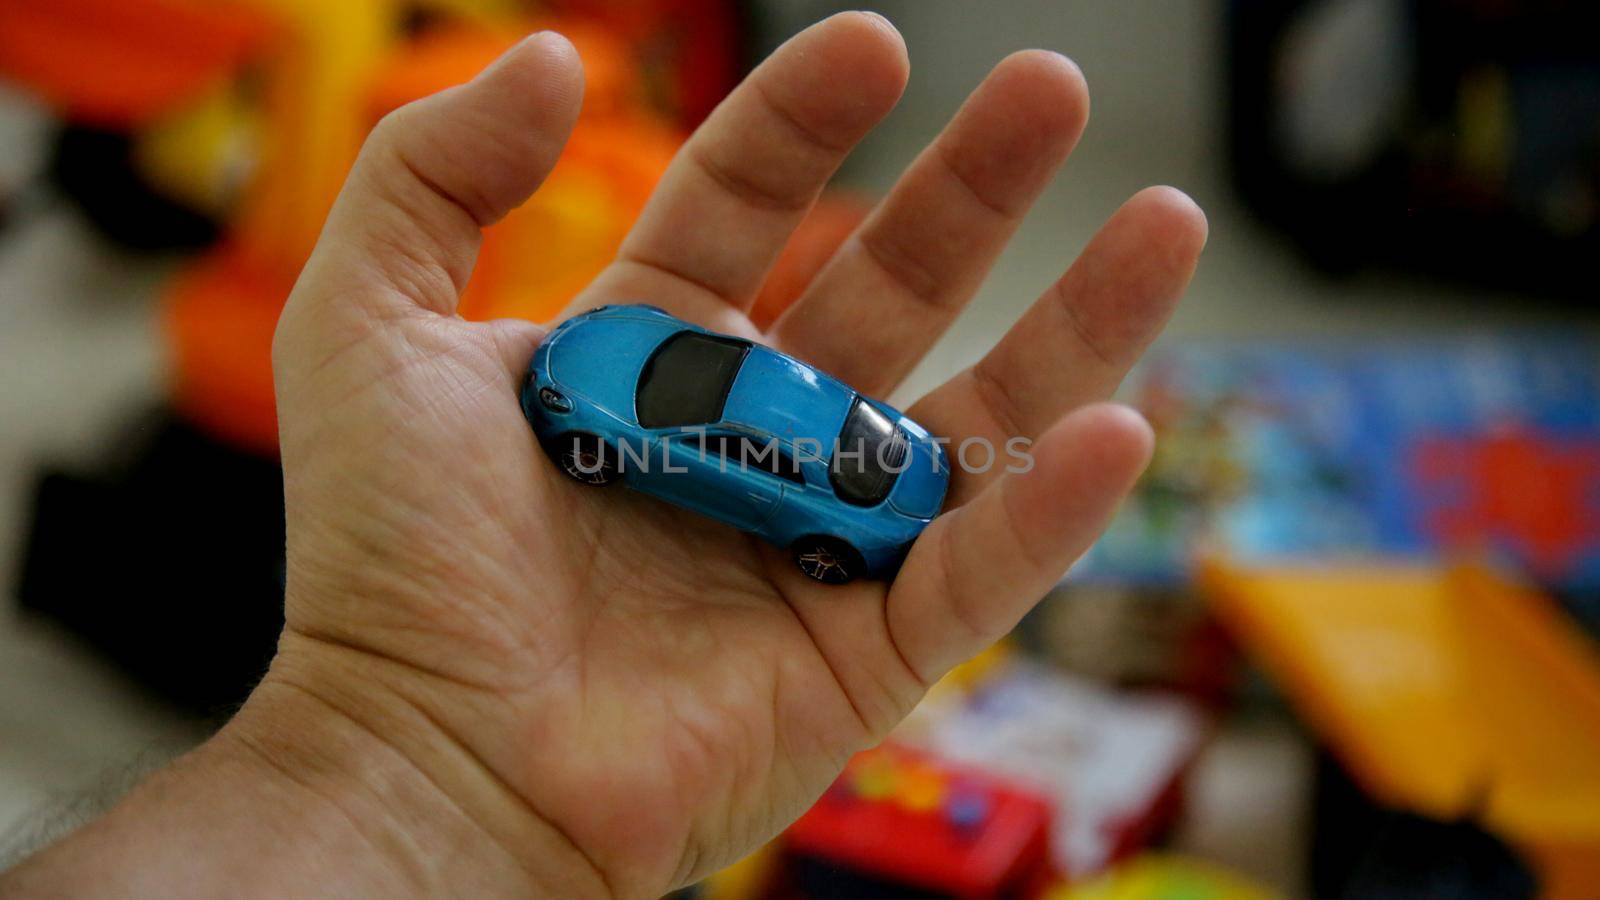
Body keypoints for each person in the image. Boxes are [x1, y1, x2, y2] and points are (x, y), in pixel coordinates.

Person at [0, 12, 1205, 898]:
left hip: (731, 411)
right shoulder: (658, 406)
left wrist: (397, 771)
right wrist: (397, 741)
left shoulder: (670, 396)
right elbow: (770, 388)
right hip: (731, 413)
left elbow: (767, 382)